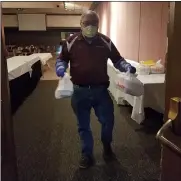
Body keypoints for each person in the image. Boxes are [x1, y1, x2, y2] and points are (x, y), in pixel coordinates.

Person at [55, 10, 136, 169]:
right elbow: (62, 58)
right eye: (87, 24)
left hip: (100, 91)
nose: (90, 27)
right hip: (79, 91)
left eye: (94, 24)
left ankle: (107, 147)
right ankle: (87, 154)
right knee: (83, 125)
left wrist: (126, 66)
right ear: (81, 24)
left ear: (98, 25)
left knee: (108, 121)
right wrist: (60, 67)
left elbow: (117, 59)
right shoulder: (70, 42)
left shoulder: (105, 42)